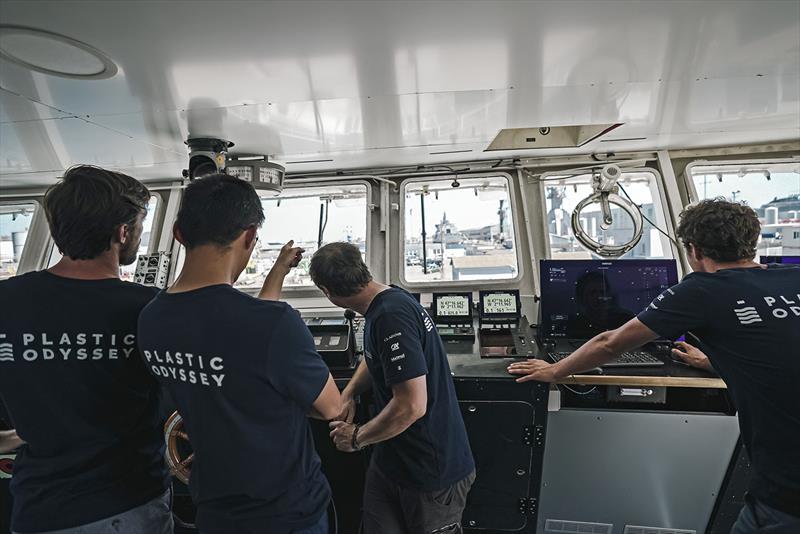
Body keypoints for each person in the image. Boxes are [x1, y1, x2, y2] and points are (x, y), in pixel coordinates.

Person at [508, 199, 800, 532]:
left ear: (692, 250)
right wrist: (715, 361)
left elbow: (611, 343)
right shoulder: (792, 275)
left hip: (786, 486)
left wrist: (554, 371)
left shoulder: (702, 290)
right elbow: (775, 341)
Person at [137, 174, 342, 534]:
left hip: (215, 507)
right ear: (249, 237)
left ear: (178, 233)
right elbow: (331, 407)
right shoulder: (275, 324)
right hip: (288, 512)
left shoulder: (151, 319)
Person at [0, 166, 172, 534]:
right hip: (125, 506)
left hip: (36, 510)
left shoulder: (5, 301)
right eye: (140, 226)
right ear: (122, 232)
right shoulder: (150, 308)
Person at [309, 242, 476, 534]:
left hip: (430, 471)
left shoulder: (391, 315)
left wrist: (358, 438)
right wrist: (349, 393)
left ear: (326, 292)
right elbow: (376, 358)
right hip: (391, 462)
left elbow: (412, 405)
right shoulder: (385, 300)